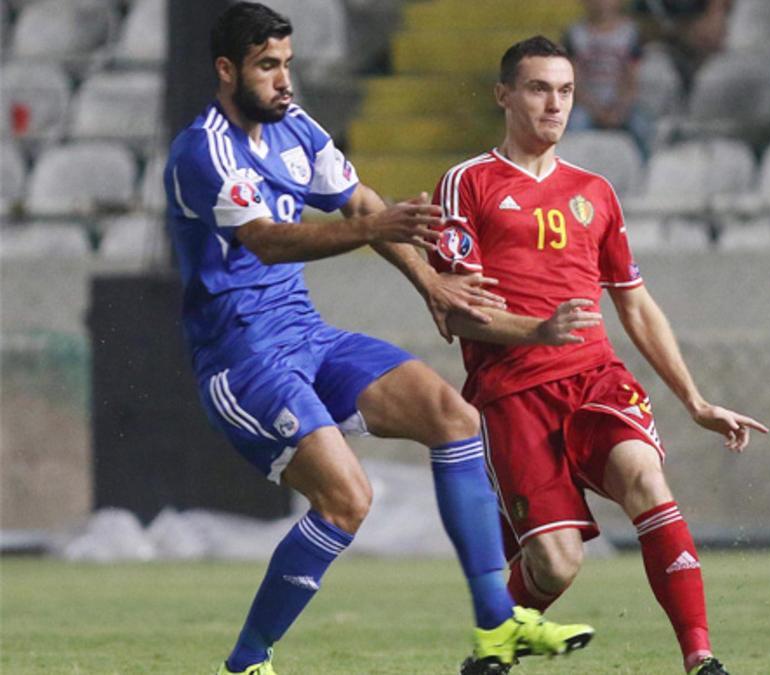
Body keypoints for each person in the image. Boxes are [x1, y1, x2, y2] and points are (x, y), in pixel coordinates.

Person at [163, 5, 592, 674]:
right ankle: (247, 661)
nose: (285, 82)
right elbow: (270, 242)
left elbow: (362, 206)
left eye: (288, 65)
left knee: (453, 416)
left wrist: (430, 284)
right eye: (268, 67)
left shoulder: (296, 129)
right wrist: (378, 229)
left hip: (304, 333)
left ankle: (495, 627)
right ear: (227, 71)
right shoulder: (203, 149)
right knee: (348, 500)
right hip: (241, 359)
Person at [428, 36, 769, 675]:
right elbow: (454, 308)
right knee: (556, 565)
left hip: (596, 378)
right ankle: (493, 650)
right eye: (537, 89)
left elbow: (635, 303)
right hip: (512, 395)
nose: (553, 104)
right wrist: (538, 331)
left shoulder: (596, 191)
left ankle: (701, 658)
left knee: (645, 477)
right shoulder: (467, 183)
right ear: (504, 95)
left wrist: (694, 400)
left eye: (564, 91)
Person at [563, 0, 654, 155]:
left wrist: (621, 108)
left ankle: (646, 172)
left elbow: (633, 77)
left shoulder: (631, 33)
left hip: (623, 102)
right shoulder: (575, 34)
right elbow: (573, 80)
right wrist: (595, 110)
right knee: (574, 126)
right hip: (587, 104)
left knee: (642, 127)